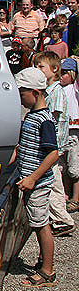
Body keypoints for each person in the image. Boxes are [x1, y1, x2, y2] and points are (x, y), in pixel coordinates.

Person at [10, 67, 59, 288]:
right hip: (31, 180)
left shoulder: (44, 120)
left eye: (23, 94)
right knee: (37, 222)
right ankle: (43, 260)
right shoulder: (32, 116)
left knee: (41, 224)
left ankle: (47, 271)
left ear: (36, 92)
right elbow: (23, 147)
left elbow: (53, 154)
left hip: (38, 183)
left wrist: (32, 178)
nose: (21, 99)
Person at [32, 51, 75, 237]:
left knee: (53, 183)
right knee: (54, 183)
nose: (37, 70)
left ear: (54, 69)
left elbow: (52, 120)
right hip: (53, 147)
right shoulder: (49, 91)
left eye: (41, 67)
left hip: (53, 147)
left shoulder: (56, 92)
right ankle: (60, 217)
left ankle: (63, 219)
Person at [58, 58, 79, 214]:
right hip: (62, 131)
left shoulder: (74, 89)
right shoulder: (58, 88)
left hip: (73, 131)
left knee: (74, 167)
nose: (62, 75)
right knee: (63, 166)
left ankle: (76, 197)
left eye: (65, 73)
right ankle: (65, 193)